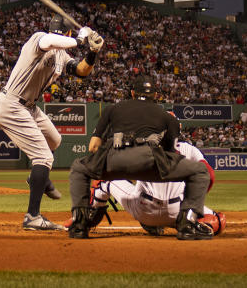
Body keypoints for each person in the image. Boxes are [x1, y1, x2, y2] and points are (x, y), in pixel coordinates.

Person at [66, 76, 215, 240]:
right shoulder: (167, 117)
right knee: (199, 171)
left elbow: (93, 147)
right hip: (149, 162)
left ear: (132, 93)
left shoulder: (113, 109)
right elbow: (172, 152)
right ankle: (187, 224)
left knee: (79, 168)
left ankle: (79, 225)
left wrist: (103, 165)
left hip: (115, 158)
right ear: (156, 95)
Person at [0, 15, 104, 231]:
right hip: (12, 104)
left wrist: (92, 52)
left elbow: (81, 71)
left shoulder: (61, 55)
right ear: (69, 34)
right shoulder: (39, 39)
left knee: (55, 140)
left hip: (29, 107)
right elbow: (51, 41)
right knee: (43, 157)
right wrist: (82, 40)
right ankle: (32, 216)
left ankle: (37, 179)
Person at [89, 138, 225, 236]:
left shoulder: (140, 145)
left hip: (144, 210)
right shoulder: (187, 148)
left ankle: (84, 221)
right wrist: (192, 203)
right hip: (178, 210)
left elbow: (113, 169)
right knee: (218, 221)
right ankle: (187, 222)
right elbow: (209, 175)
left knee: (103, 181)